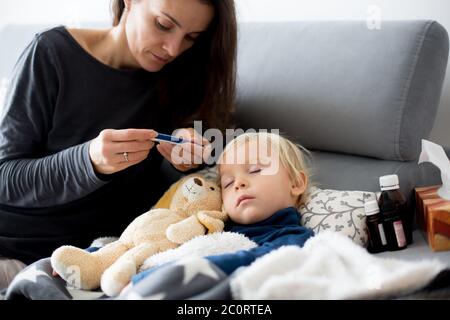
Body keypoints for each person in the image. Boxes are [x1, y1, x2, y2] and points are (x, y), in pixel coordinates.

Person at [0, 0, 237, 290]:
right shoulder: (52, 53)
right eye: (163, 25)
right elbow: (5, 177)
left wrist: (188, 152)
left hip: (92, 256)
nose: (173, 49)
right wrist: (88, 161)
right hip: (12, 242)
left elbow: (180, 195)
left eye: (191, 38)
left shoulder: (184, 77)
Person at [131, 132, 315, 287]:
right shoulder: (210, 228)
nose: (238, 184)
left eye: (254, 170)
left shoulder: (292, 237)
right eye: (227, 183)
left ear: (296, 183)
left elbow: (256, 262)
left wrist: (149, 279)